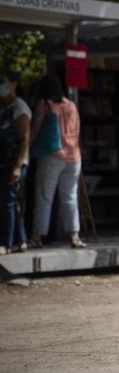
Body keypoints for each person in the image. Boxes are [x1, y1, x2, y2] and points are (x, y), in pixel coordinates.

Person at [29, 75, 83, 248]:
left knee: (45, 197)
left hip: (52, 155)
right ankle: (74, 235)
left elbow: (35, 129)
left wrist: (24, 148)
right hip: (74, 157)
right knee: (70, 196)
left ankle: (37, 236)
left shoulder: (45, 104)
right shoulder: (72, 105)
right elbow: (77, 131)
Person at [0, 67, 31, 254]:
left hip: (15, 161)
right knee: (9, 201)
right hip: (5, 160)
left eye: (3, 82)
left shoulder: (20, 107)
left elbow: (25, 137)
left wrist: (18, 166)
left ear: (14, 84)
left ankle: (7, 243)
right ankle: (21, 240)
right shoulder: (6, 108)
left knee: (8, 202)